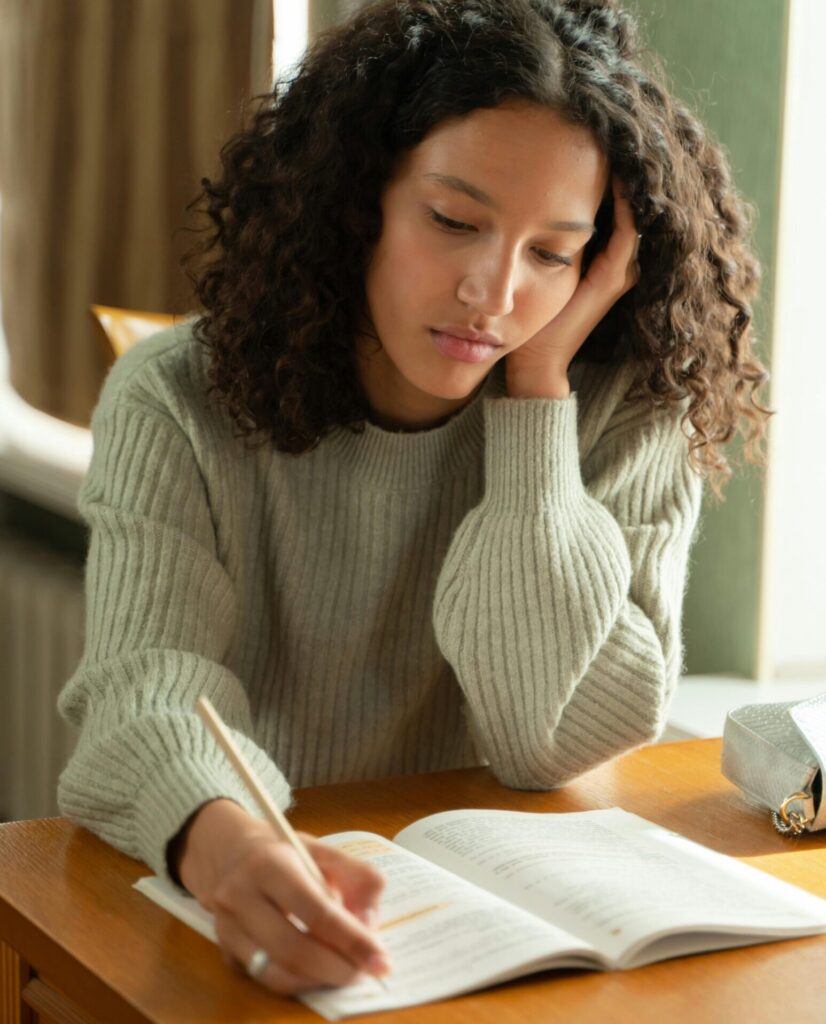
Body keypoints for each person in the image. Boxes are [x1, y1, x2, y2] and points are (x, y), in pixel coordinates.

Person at [57, 0, 769, 998]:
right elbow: (144, 685)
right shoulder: (178, 396)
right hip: (250, 927)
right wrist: (227, 844)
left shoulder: (622, 403)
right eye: (453, 221)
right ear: (359, 201)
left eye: (551, 254)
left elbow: (546, 743)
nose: (493, 292)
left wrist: (536, 399)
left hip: (503, 959)